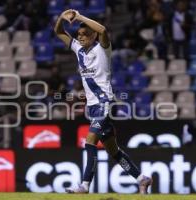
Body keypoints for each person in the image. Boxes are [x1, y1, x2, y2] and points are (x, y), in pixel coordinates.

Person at [54, 9, 152, 194]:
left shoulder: (102, 49)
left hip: (104, 103)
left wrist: (80, 17)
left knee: (89, 142)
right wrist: (62, 18)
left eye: (85, 34)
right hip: (91, 107)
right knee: (113, 150)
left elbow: (104, 30)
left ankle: (84, 186)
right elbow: (59, 32)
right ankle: (142, 179)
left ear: (93, 36)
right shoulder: (78, 49)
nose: (80, 37)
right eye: (79, 34)